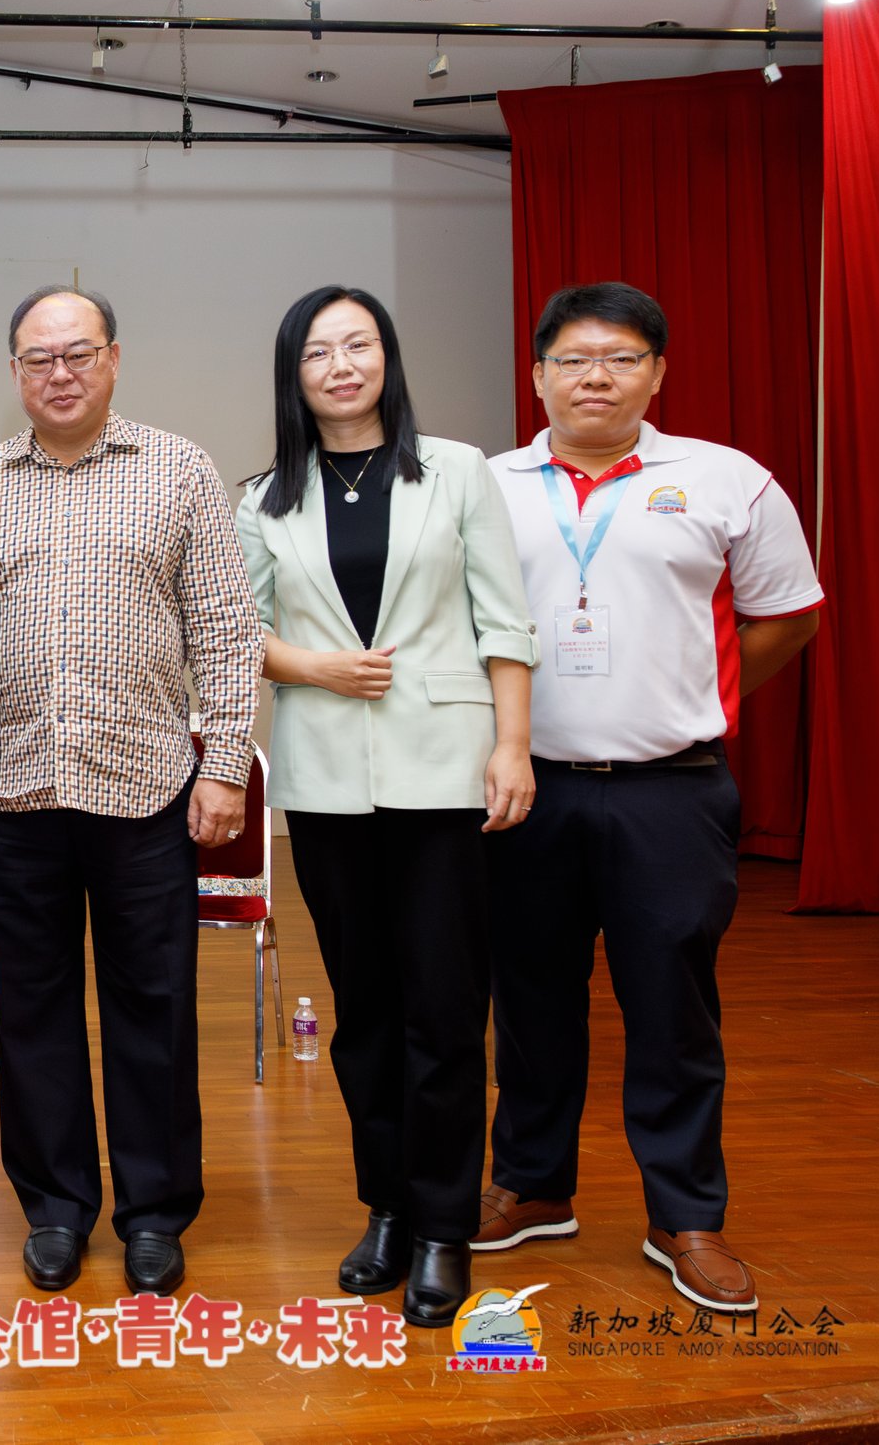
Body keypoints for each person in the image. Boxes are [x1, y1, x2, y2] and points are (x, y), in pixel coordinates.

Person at [478, 282, 821, 1314]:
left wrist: (703, 695)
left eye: (621, 357)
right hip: (523, 787)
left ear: (658, 372)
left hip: (671, 790)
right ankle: (533, 1184)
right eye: (573, 358)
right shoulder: (484, 485)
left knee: (673, 1007)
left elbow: (788, 615)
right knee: (529, 998)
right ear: (537, 374)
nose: (596, 376)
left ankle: (685, 1215)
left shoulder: (726, 480)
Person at [0, 286, 259, 1297]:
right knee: (31, 1008)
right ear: (13, 372)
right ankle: (54, 1205)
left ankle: (155, 1211)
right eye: (39, 357)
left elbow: (224, 626)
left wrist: (225, 764)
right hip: (14, 787)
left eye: (78, 352)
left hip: (146, 785)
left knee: (152, 1005)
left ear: (113, 358)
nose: (60, 372)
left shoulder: (179, 468)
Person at [231, 286, 537, 1328]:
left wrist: (511, 744)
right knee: (363, 1010)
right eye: (318, 351)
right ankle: (389, 1209)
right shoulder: (265, 498)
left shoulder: (456, 470)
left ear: (387, 358)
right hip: (324, 782)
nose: (341, 364)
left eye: (358, 343)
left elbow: (504, 620)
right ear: (294, 375)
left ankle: (446, 1224)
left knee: (443, 1006)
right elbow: (238, 631)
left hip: (447, 771)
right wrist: (315, 665)